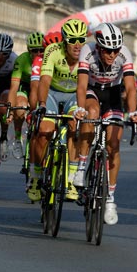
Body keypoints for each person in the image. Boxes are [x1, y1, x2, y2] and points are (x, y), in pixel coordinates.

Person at [74, 23, 137, 226]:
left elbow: (130, 88)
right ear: (99, 47)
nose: (112, 55)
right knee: (91, 113)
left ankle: (110, 199)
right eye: (108, 50)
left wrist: (134, 112)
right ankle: (82, 165)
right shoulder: (87, 51)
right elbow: (82, 84)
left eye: (115, 50)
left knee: (114, 145)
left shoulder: (124, 54)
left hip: (112, 93)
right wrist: (79, 108)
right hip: (92, 90)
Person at [31, 20, 87, 203]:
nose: (78, 44)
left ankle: (70, 180)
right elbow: (45, 80)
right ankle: (37, 177)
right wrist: (41, 104)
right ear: (64, 40)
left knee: (73, 127)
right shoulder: (53, 51)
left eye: (81, 39)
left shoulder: (87, 54)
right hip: (52, 94)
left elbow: (84, 86)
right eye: (73, 40)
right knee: (44, 130)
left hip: (73, 96)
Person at [7, 31, 44, 159]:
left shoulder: (47, 60)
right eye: (35, 50)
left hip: (40, 86)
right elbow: (14, 87)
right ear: (29, 50)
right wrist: (11, 109)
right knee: (20, 108)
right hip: (25, 86)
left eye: (42, 50)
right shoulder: (22, 60)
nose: (39, 53)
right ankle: (17, 139)